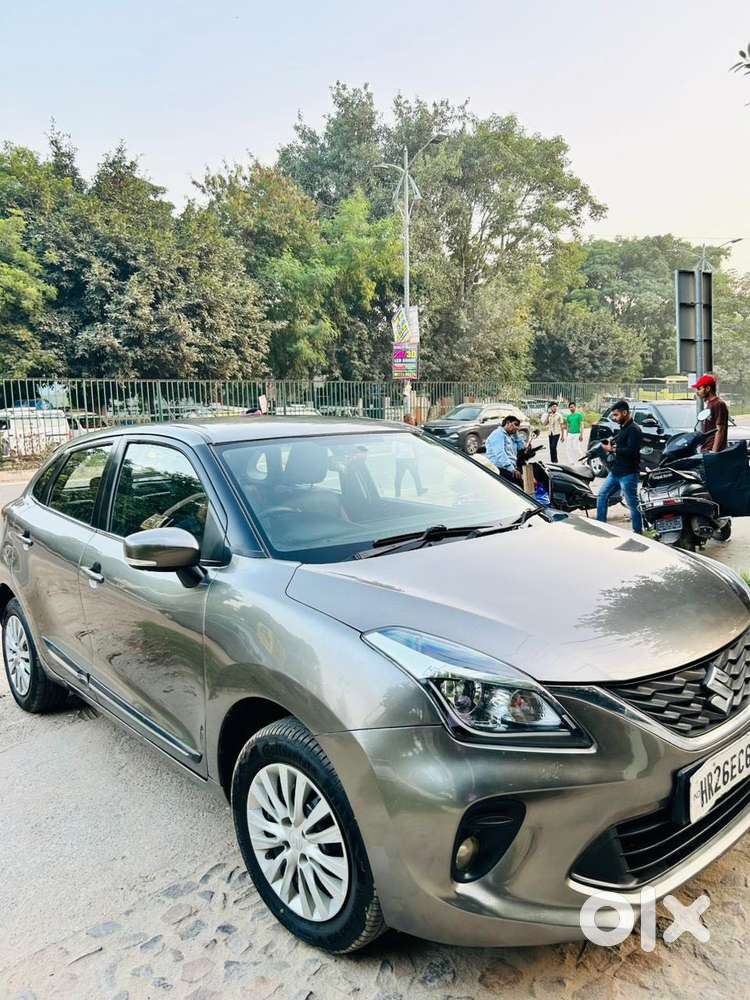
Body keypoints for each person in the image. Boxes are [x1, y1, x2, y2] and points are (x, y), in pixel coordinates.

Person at [596, 399, 643, 534]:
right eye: (613, 415)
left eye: (616, 415)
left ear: (625, 412)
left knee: (633, 504)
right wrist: (612, 445)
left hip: (629, 474)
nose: (614, 418)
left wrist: (612, 450)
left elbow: (632, 451)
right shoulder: (623, 428)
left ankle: (638, 532)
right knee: (602, 495)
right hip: (616, 472)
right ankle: (600, 527)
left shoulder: (634, 429)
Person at [692, 374, 729, 453]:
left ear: (708, 388)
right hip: (706, 448)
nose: (697, 392)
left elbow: (720, 430)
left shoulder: (719, 404)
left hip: (712, 450)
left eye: (699, 388)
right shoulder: (710, 403)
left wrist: (714, 452)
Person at [486, 415, 526, 483]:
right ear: (507, 423)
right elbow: (500, 453)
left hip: (512, 466)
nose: (517, 427)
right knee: (522, 484)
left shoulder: (510, 436)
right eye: (515, 424)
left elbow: (521, 448)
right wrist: (512, 469)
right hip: (500, 468)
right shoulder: (498, 434)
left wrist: (516, 434)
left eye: (518, 426)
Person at [394, 415, 426, 496]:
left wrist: (397, 455)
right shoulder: (411, 431)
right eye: (412, 419)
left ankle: (397, 493)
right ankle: (419, 490)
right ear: (408, 421)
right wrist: (417, 457)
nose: (414, 420)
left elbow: (395, 446)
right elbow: (415, 445)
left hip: (400, 458)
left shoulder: (400, 430)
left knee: (399, 477)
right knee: (415, 475)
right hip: (409, 458)